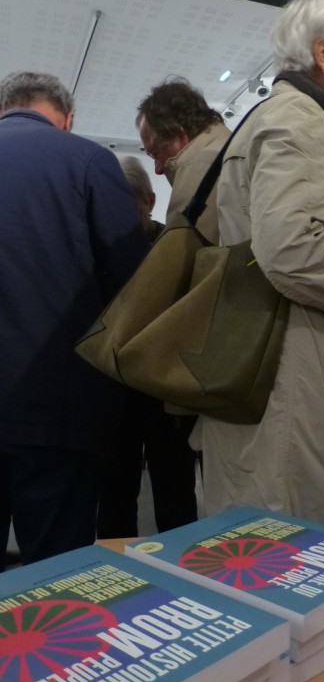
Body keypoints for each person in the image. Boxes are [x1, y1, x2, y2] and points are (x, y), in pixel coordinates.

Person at [191, 0, 324, 523]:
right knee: (308, 553)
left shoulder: (268, 119)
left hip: (270, 386)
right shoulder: (298, 120)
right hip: (292, 396)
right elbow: (291, 252)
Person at [0, 71, 148, 569]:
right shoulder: (89, 160)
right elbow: (132, 281)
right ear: (67, 118)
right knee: (57, 575)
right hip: (58, 407)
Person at [97, 156, 200, 537]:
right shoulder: (100, 252)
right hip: (114, 393)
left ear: (149, 200)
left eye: (128, 207)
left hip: (165, 393)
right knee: (114, 496)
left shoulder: (175, 249)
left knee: (176, 496)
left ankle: (183, 567)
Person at [136, 77, 230, 241]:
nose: (158, 169)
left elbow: (184, 252)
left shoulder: (198, 167)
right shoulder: (231, 147)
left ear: (179, 135)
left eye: (156, 153)